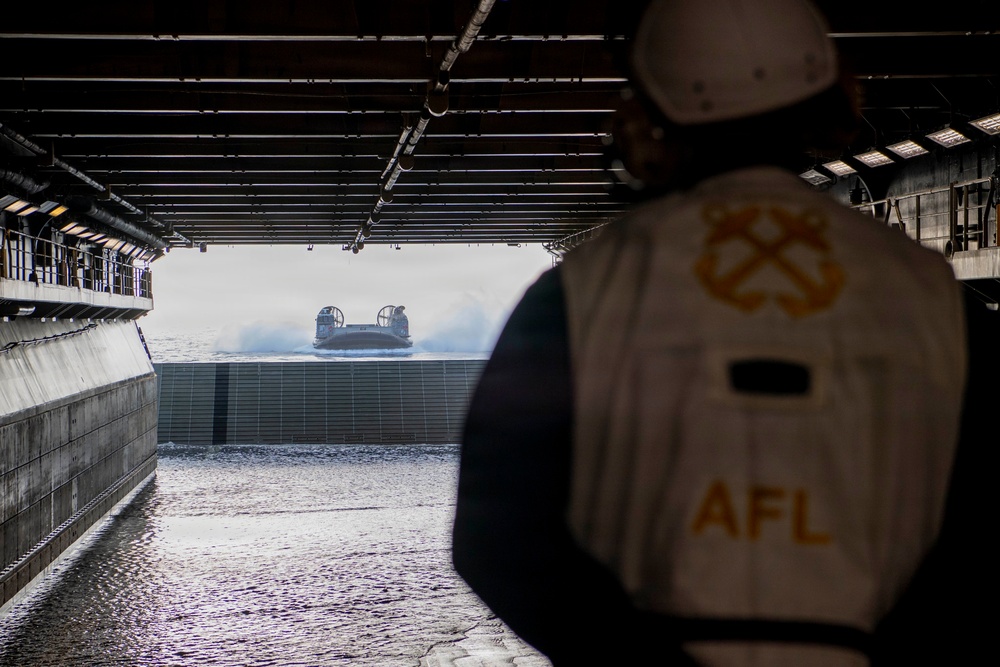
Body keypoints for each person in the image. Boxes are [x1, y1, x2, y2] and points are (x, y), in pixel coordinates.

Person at [451, 0, 995, 665]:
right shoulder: (932, 297)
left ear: (652, 117)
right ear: (828, 98)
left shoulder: (584, 289)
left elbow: (494, 537)